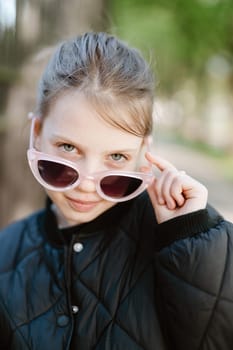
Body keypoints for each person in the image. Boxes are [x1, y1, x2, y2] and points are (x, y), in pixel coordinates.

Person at [0, 32, 232, 350]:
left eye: (116, 157)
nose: (86, 182)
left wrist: (193, 237)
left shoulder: (180, 243)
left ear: (143, 151)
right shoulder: (6, 252)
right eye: (68, 147)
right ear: (37, 132)